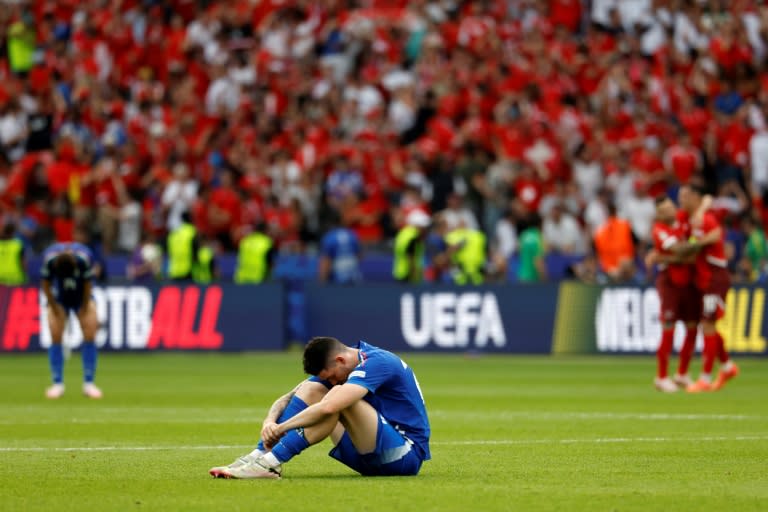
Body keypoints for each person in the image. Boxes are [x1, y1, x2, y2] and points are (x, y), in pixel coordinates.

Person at [209, 336, 430, 479]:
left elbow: (330, 407)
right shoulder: (343, 367)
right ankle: (258, 456)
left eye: (333, 376)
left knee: (336, 399)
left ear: (341, 360)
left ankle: (270, 464)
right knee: (312, 389)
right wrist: (269, 422)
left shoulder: (379, 362)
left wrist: (282, 427)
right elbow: (288, 397)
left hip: (404, 456)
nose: (333, 381)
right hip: (368, 454)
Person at [678, 184, 740, 392]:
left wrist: (695, 244)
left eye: (685, 196)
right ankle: (727, 367)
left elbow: (716, 234)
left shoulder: (705, 218)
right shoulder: (695, 218)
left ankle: (705, 378)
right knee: (709, 325)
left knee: (707, 325)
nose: (682, 201)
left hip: (715, 277)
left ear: (695, 197)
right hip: (705, 280)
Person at [647, 196, 700, 392]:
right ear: (659, 214)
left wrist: (663, 257)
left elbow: (684, 250)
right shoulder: (659, 230)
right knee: (668, 327)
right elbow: (679, 250)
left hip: (689, 282)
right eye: (667, 209)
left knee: (693, 327)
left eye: (672, 207)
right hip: (670, 283)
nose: (672, 211)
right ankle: (661, 377)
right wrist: (691, 251)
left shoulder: (682, 222)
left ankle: (682, 374)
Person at [40, 242, 102, 399]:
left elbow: (88, 284)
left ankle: (89, 383)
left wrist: (86, 305)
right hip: (59, 297)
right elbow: (46, 285)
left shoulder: (84, 259)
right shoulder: (49, 261)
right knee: (55, 334)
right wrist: (53, 307)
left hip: (81, 296)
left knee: (90, 332)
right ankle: (57, 383)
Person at [318, 212, 362, 284]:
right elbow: (359, 255)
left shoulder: (329, 237)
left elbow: (326, 261)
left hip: (337, 279)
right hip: (354, 277)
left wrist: (322, 280)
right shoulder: (352, 235)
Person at [392, 210, 431, 283]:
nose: (426, 229)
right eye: (423, 226)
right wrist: (414, 276)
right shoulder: (413, 237)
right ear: (417, 225)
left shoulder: (404, 233)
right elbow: (410, 257)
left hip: (400, 273)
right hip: (408, 277)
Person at [166, 211, 199, 281]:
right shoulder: (191, 231)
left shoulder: (173, 234)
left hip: (174, 269)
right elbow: (195, 248)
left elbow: (169, 252)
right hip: (188, 269)